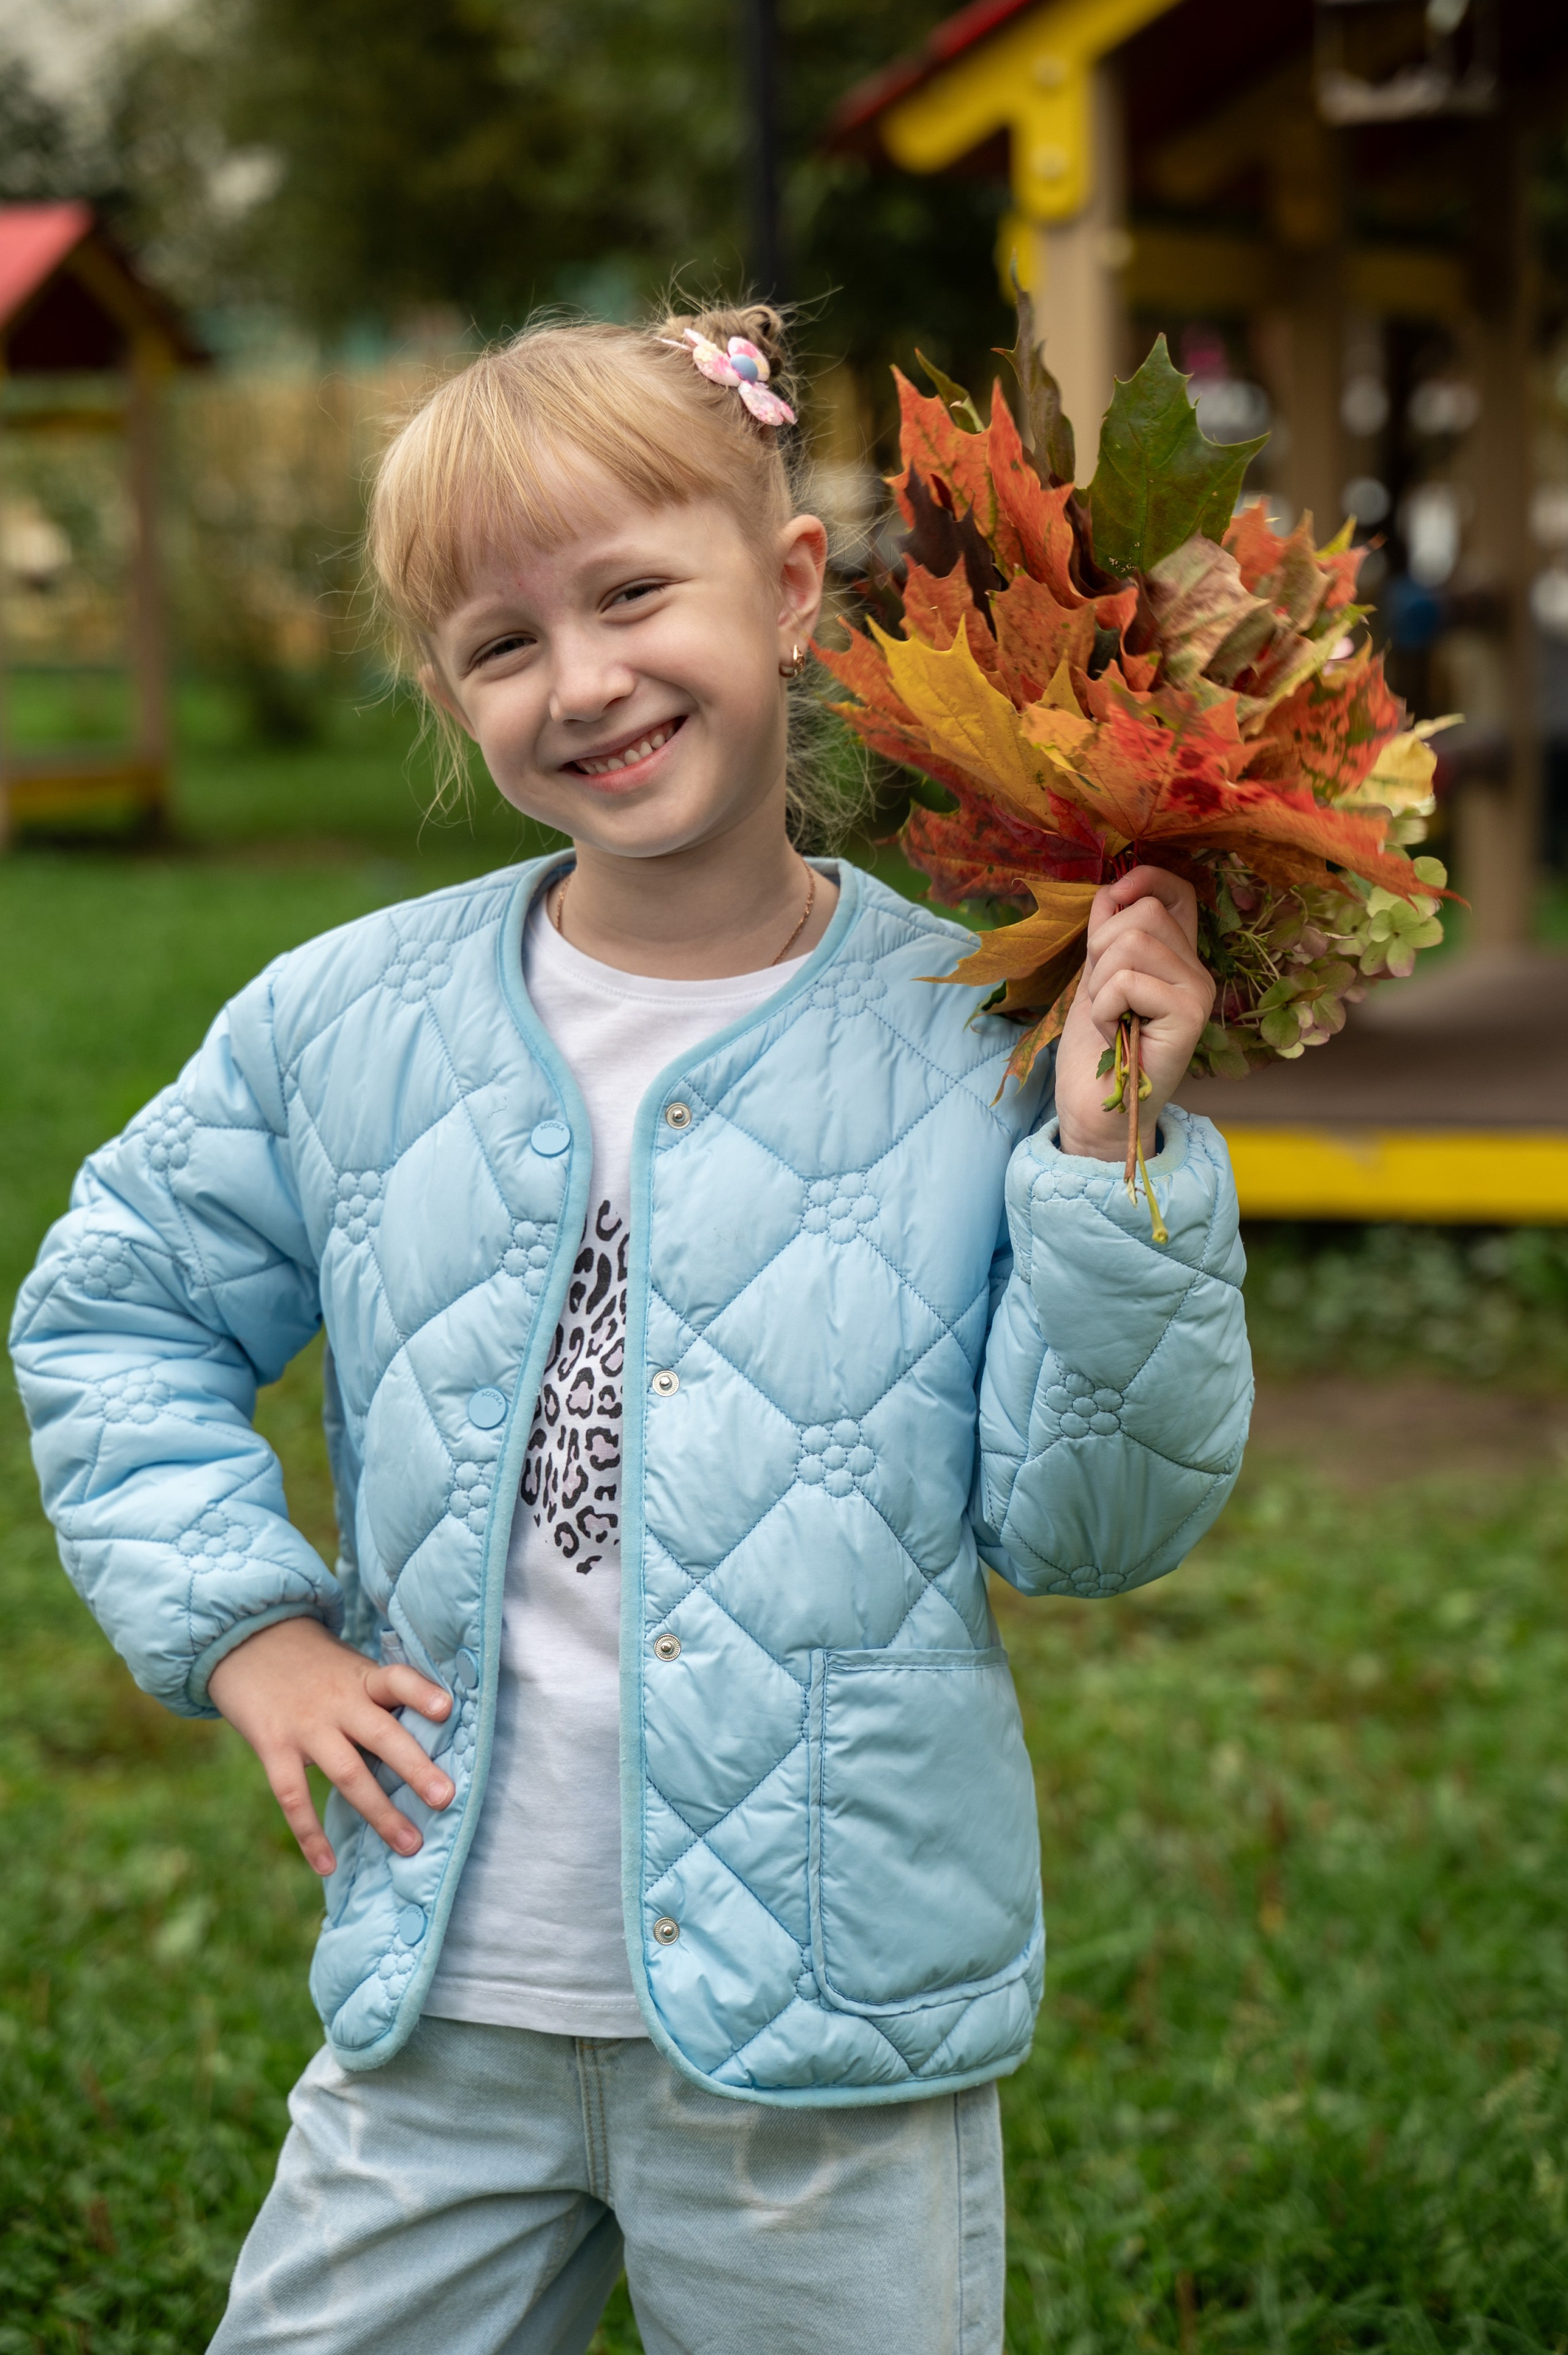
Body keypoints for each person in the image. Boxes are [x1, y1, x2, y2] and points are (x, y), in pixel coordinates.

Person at [9, 304, 1251, 2355]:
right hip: (445, 2001)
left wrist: (1111, 1150)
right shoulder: (345, 1025)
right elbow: (113, 1306)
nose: (580, 681)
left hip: (831, 2026)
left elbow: (1092, 1524)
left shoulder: (977, 1037)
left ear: (780, 591)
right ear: (448, 693)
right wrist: (251, 1621)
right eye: (501, 645)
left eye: (629, 595)